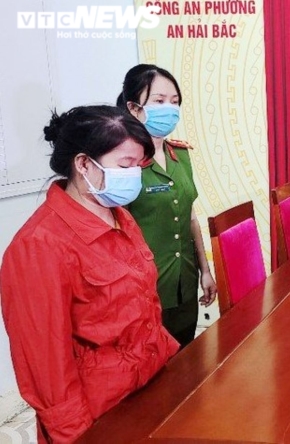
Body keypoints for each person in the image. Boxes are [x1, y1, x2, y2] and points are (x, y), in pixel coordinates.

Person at [0, 105, 180, 442]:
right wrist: (78, 436)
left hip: (148, 387)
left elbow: (144, 306)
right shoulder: (39, 246)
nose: (135, 176)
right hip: (98, 414)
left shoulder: (120, 216)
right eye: (125, 165)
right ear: (83, 164)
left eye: (138, 166)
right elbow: (45, 367)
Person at [117, 64, 217, 348]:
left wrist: (205, 270)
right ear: (134, 108)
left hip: (185, 279)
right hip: (146, 288)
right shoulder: (124, 164)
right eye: (159, 101)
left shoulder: (180, 155)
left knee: (188, 356)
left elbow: (190, 217)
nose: (169, 109)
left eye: (174, 102)